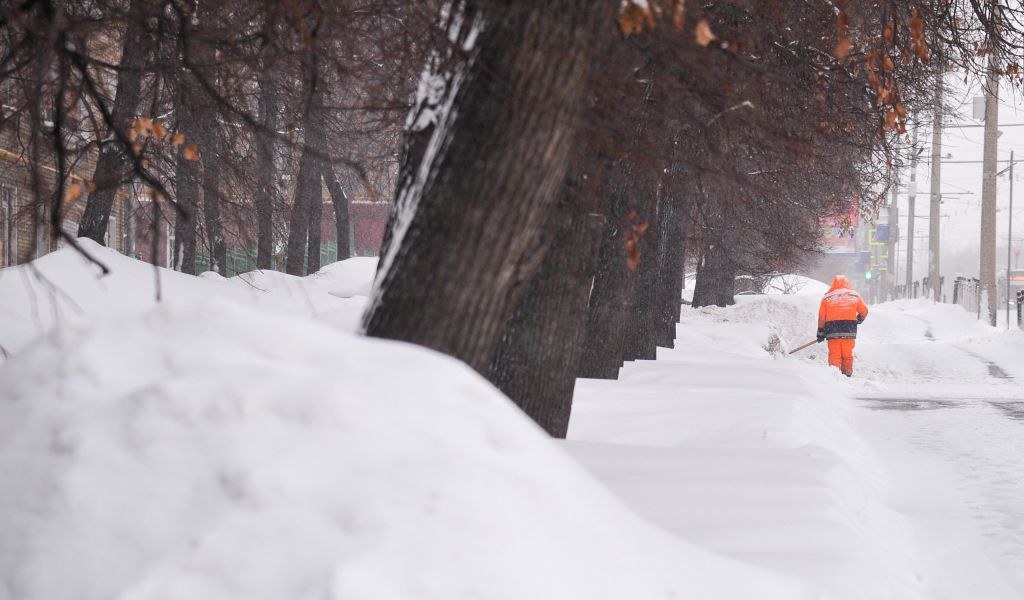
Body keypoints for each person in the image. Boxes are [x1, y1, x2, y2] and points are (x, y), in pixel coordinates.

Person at [816, 275, 869, 377]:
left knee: (834, 354)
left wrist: (820, 333)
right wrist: (859, 320)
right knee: (847, 354)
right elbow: (864, 311)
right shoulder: (855, 296)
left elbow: (822, 318)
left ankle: (834, 375)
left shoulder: (827, 298)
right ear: (847, 283)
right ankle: (847, 373)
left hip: (832, 331)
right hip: (849, 330)